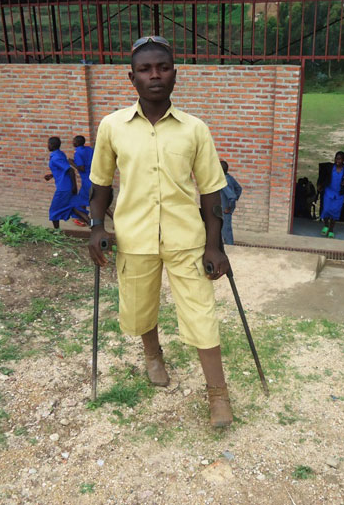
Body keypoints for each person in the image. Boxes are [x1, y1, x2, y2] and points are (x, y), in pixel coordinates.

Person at [88, 35, 233, 428]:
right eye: (146, 69)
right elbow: (101, 183)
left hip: (187, 239)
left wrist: (215, 245)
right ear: (132, 77)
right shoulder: (112, 126)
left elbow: (211, 191)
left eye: (163, 67)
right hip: (134, 237)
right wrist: (97, 226)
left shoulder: (195, 129)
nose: (155, 75)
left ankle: (217, 394)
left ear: (175, 74)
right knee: (139, 307)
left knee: (202, 314)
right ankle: (153, 356)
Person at [44, 136, 88, 229]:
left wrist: (74, 187)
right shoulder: (60, 154)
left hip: (64, 188)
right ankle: (93, 224)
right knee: (75, 209)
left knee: (54, 211)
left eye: (48, 144)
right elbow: (62, 169)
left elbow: (70, 170)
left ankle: (56, 232)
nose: (48, 146)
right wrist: (52, 175)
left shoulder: (56, 157)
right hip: (67, 187)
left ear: (52, 145)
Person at [317, 151, 344, 238]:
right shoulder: (329, 167)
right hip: (328, 191)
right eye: (336, 158)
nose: (337, 161)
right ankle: (326, 225)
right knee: (326, 209)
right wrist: (320, 185)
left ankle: (331, 229)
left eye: (340, 159)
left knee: (335, 212)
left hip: (339, 194)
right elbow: (322, 176)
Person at [71, 135, 94, 226]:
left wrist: (71, 163)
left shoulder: (78, 153)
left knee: (80, 201)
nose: (72, 142)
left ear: (76, 143)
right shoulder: (89, 149)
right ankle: (82, 218)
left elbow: (82, 168)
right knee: (82, 200)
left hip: (87, 180)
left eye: (73, 141)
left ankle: (85, 220)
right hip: (94, 177)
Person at [219, 160, 242, 245]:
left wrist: (229, 207)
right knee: (225, 228)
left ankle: (230, 246)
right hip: (227, 207)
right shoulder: (229, 177)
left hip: (225, 208)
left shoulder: (223, 182)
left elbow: (232, 196)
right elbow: (239, 188)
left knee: (226, 230)